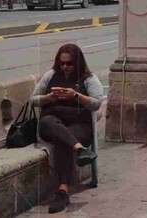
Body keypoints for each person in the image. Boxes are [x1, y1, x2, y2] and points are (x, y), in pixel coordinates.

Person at [30, 44, 104, 213]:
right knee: (48, 122)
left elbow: (97, 103)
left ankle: (62, 190)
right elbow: (33, 100)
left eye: (69, 64)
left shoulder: (88, 78)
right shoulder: (51, 75)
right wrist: (48, 98)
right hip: (53, 121)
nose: (65, 67)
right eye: (62, 63)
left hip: (79, 124)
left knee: (64, 140)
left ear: (77, 63)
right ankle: (80, 149)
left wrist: (75, 95)